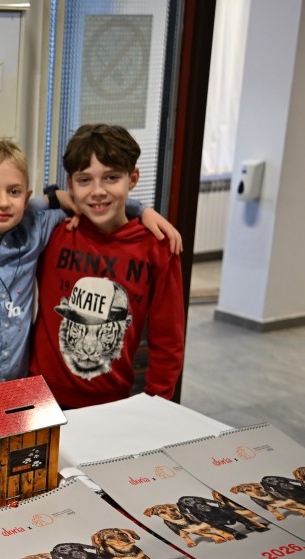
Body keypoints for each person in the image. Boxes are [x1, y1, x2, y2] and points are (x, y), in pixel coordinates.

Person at [0, 138, 181, 402]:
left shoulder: (42, 229)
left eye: (13, 192)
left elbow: (87, 200)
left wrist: (142, 210)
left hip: (38, 392)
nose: (3, 202)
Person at [30, 124, 185, 407]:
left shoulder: (159, 247)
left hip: (111, 402)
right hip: (39, 397)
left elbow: (168, 340)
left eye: (111, 178)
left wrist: (158, 404)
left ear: (132, 178)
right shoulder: (54, 231)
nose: (98, 191)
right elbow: (7, 216)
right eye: (85, 180)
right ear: (70, 184)